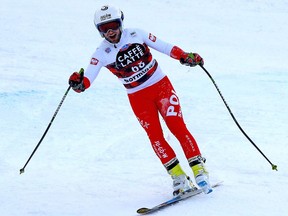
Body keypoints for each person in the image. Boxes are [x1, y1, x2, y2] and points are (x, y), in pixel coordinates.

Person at [69, 5, 212, 195]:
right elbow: (87, 79)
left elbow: (165, 47)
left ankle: (198, 169)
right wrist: (79, 83)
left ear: (121, 23)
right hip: (138, 98)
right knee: (155, 136)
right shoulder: (101, 53)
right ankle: (178, 176)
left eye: (113, 25)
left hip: (161, 87)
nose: (110, 32)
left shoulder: (136, 34)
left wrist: (184, 56)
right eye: (104, 28)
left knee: (177, 126)